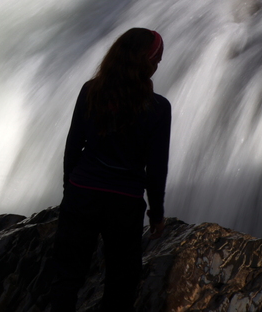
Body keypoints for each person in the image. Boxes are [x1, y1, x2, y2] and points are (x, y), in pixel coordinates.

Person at [49, 28, 171, 312]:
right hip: (124, 204)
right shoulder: (158, 109)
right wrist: (157, 214)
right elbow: (156, 169)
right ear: (147, 63)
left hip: (82, 194)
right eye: (157, 60)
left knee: (66, 278)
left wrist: (70, 192)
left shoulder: (91, 91)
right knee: (121, 283)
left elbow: (73, 148)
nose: (157, 66)